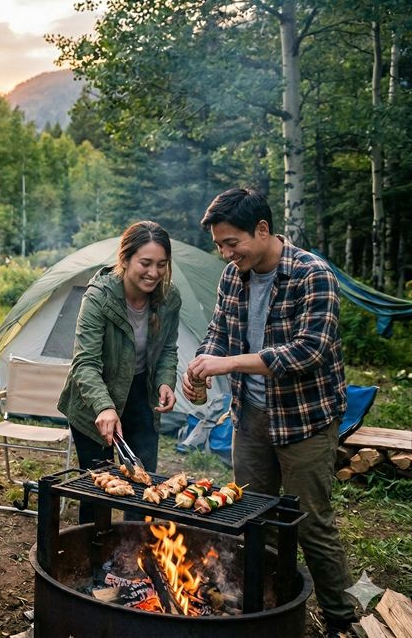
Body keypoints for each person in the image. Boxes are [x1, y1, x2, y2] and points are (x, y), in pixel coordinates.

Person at [184, 188, 356, 634]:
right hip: (251, 417)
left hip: (305, 420)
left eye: (231, 243)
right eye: (219, 245)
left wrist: (229, 363)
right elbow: (219, 334)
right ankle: (257, 605)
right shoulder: (231, 277)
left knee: (311, 522)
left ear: (262, 230)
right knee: (249, 516)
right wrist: (202, 367)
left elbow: (308, 352)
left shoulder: (311, 274)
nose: (225, 253)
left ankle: (342, 618)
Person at [57, 221, 181, 524]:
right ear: (125, 260)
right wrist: (104, 406)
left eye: (162, 265)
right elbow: (84, 362)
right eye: (146, 263)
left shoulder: (169, 299)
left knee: (143, 487)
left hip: (141, 397)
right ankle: (91, 555)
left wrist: (165, 381)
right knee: (98, 489)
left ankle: (133, 559)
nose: (154, 272)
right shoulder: (99, 298)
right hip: (93, 400)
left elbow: (168, 349)